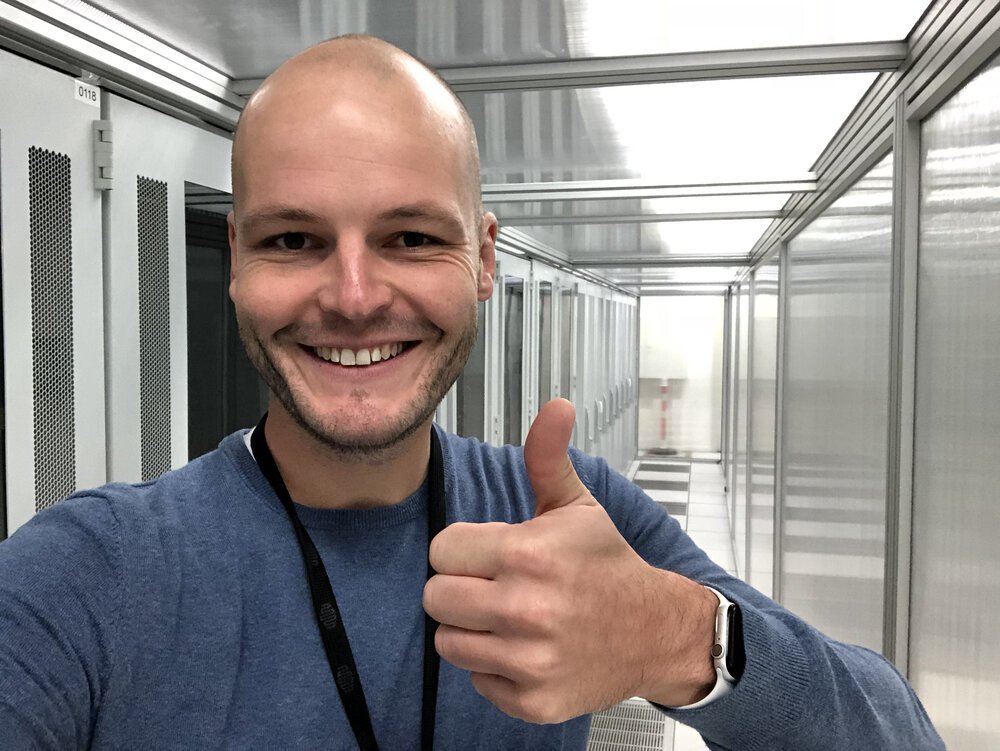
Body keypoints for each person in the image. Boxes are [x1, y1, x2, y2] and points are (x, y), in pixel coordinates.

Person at [0, 35, 943, 750]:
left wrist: (676, 634)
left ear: (485, 259)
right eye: (294, 239)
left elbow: (899, 730)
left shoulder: (566, 516)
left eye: (411, 237)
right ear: (237, 258)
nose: (356, 297)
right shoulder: (88, 579)